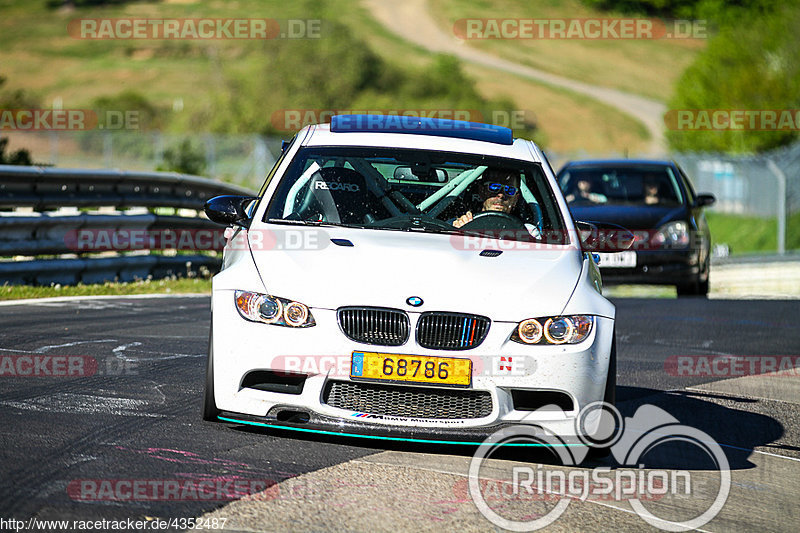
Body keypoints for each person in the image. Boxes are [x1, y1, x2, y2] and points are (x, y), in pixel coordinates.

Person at [452, 170, 520, 228]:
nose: (501, 195)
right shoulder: (464, 223)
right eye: (494, 187)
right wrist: (457, 230)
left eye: (510, 190)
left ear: (515, 199)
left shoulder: (526, 233)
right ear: (482, 191)